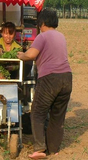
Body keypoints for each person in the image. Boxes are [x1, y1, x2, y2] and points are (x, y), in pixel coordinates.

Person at [17, 8, 72, 159]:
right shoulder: (61, 36)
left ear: (41, 23)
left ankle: (40, 148)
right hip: (67, 78)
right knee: (57, 115)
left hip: (50, 79)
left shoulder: (42, 36)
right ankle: (53, 149)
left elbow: (32, 55)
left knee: (38, 112)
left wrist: (22, 55)